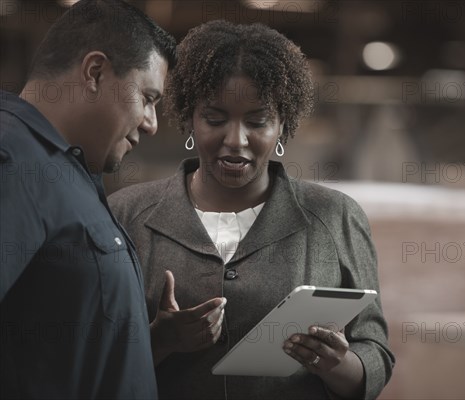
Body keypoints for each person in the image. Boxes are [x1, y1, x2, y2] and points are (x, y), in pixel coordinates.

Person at [108, 20, 394, 400]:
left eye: (258, 121)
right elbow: (93, 359)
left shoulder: (335, 217)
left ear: (282, 126)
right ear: (189, 117)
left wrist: (337, 364)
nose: (235, 140)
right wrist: (159, 342)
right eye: (215, 119)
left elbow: (374, 354)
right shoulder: (128, 214)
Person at [0, 0, 176, 398]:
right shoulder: (15, 161)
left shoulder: (68, 170)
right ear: (95, 72)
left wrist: (150, 339)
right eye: (148, 98)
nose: (151, 124)